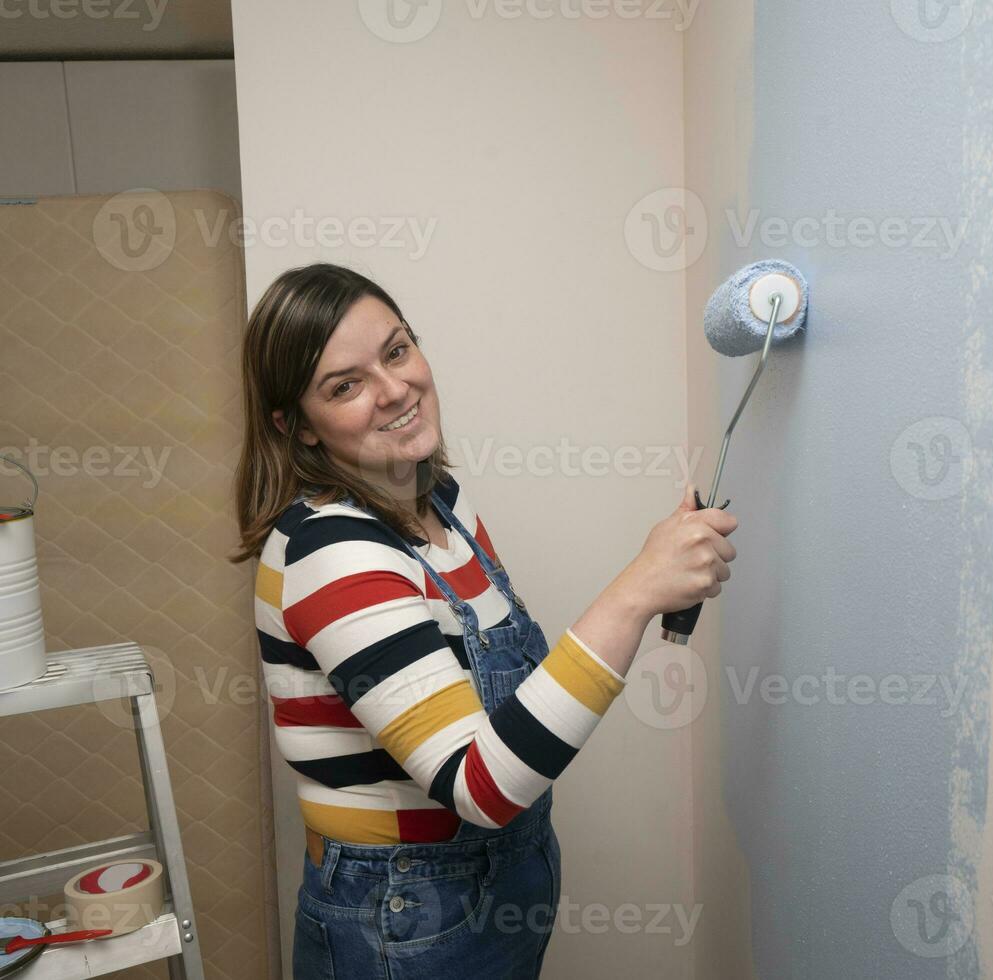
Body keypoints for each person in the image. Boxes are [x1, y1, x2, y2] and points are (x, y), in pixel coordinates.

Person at [229, 262, 736, 978]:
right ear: (297, 427)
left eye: (397, 351)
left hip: (494, 890)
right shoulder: (331, 554)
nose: (395, 390)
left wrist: (655, 575)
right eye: (345, 386)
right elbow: (482, 786)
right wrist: (636, 591)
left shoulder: (442, 505)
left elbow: (502, 714)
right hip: (407, 916)